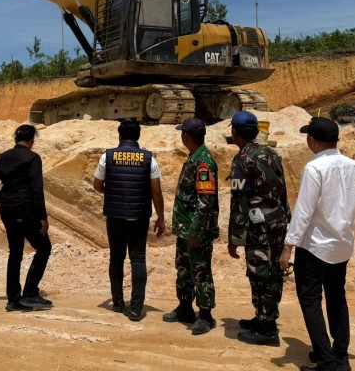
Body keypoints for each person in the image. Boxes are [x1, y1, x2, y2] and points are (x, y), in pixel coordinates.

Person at [280, 116, 355, 371]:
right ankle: (340, 356)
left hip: (316, 247)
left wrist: (288, 246)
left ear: (311, 140)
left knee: (310, 301)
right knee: (336, 298)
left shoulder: (314, 168)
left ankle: (327, 367)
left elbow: (304, 212)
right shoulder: (353, 166)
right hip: (341, 246)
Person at [226, 111, 290, 347]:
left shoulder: (243, 160)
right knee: (272, 272)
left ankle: (267, 328)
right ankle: (263, 317)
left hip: (259, 228)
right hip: (277, 223)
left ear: (234, 132)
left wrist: (234, 237)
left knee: (260, 274)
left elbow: (239, 202)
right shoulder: (272, 153)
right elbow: (283, 191)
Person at [93, 119, 165, 321]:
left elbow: (97, 185)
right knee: (138, 259)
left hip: (115, 216)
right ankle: (135, 309)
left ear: (120, 135)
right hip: (139, 216)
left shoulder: (107, 157)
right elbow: (156, 192)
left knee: (116, 258)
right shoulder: (149, 159)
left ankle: (117, 303)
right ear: (138, 136)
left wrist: (112, 192)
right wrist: (160, 217)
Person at [0, 124, 53, 312]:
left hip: (8, 210)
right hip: (27, 209)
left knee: (15, 252)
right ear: (32, 140)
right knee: (44, 247)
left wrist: (2, 200)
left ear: (16, 139)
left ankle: (14, 299)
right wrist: (43, 217)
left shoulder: (3, 156)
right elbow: (36, 189)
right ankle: (30, 294)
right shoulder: (32, 157)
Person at [163, 118, 219, 335]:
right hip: (186, 229)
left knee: (201, 272)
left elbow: (206, 201)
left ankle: (205, 314)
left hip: (196, 231)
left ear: (186, 136)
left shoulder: (203, 162)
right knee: (184, 269)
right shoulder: (195, 158)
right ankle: (184, 307)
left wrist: (196, 231)